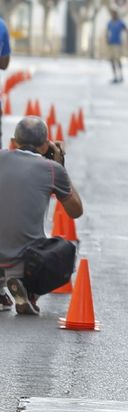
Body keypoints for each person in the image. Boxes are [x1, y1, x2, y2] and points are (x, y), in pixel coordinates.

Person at [0, 116, 81, 313]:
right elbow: (76, 211)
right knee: (66, 247)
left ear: (13, 142)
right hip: (26, 265)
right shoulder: (52, 169)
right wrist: (61, 166)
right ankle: (29, 291)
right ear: (46, 146)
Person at [105, 11, 127, 83]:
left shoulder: (120, 23)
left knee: (118, 60)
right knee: (112, 60)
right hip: (111, 43)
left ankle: (121, 75)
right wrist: (107, 39)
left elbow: (126, 30)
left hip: (118, 44)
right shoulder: (110, 23)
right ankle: (115, 76)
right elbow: (107, 32)